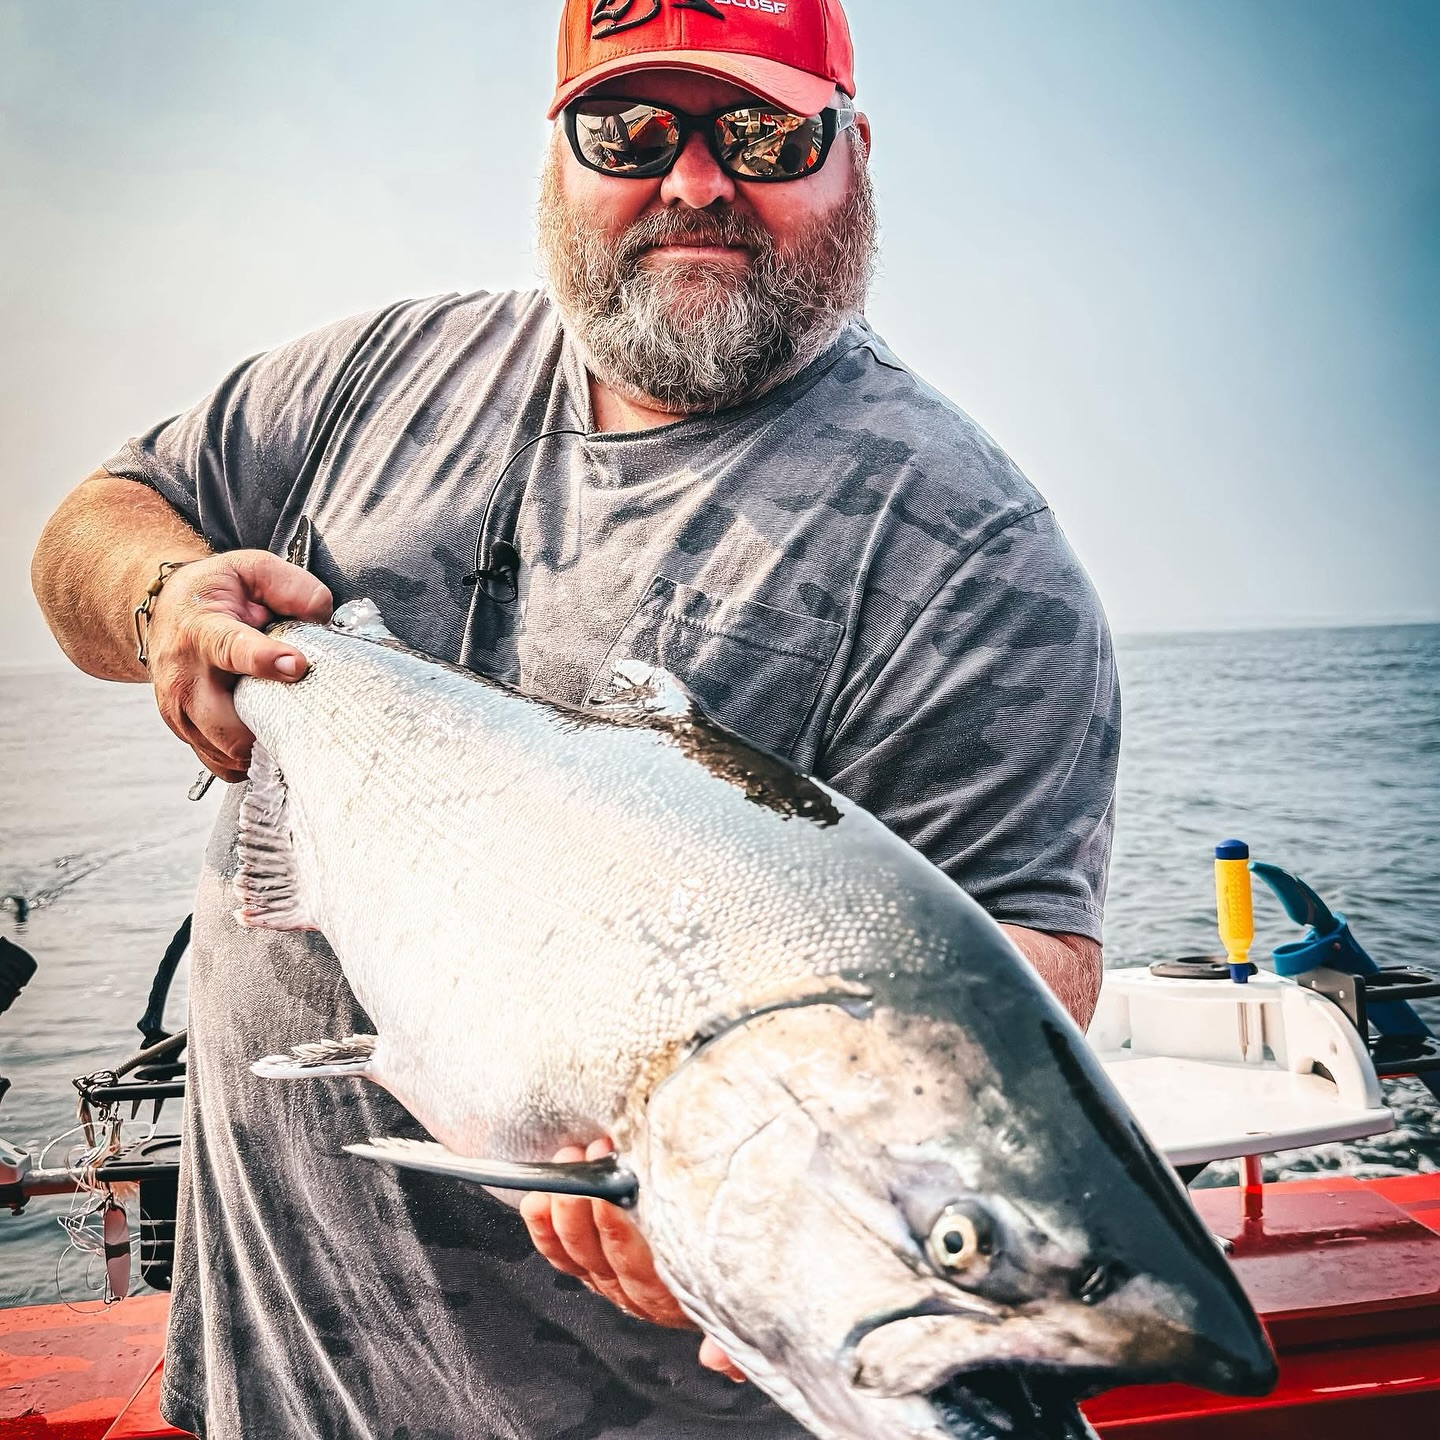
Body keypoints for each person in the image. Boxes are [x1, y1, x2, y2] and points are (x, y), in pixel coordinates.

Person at [30, 1, 1121, 1436]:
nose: (693, 182)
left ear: (855, 154)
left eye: (760, 128)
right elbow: (88, 531)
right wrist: (167, 596)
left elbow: (1012, 984)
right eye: (630, 128)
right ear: (557, 155)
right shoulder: (376, 378)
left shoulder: (967, 554)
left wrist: (764, 1211)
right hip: (265, 1382)